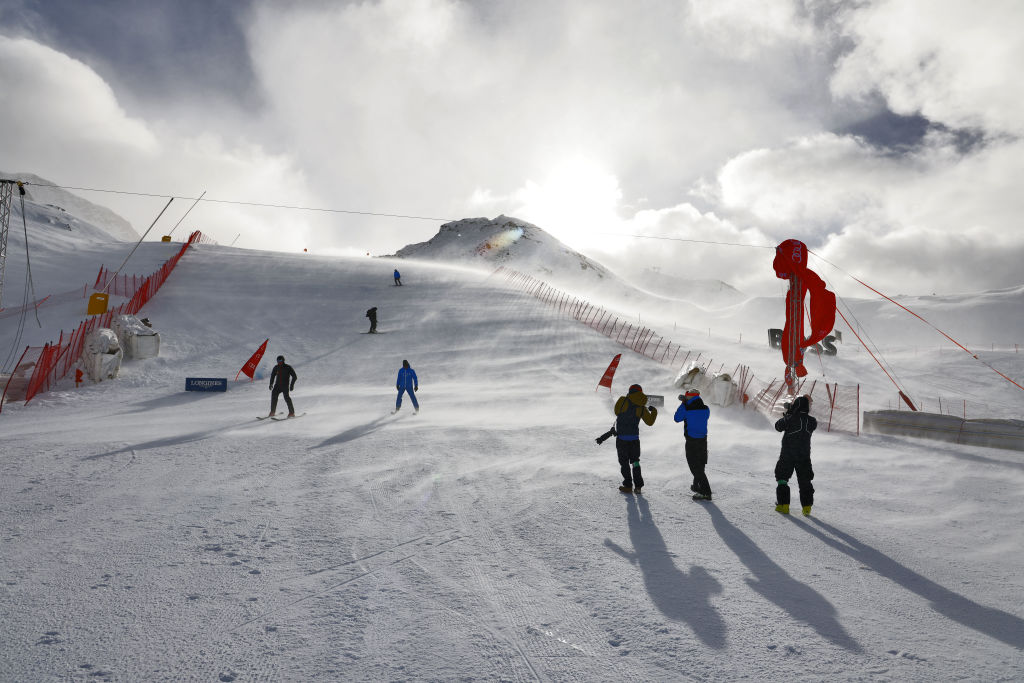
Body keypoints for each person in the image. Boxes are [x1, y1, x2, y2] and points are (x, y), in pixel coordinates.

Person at [774, 394, 817, 515]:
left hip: (788, 454)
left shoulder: (790, 418)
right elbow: (806, 422)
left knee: (782, 478)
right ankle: (807, 508)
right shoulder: (812, 421)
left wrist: (788, 414)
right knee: (805, 481)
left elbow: (778, 426)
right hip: (804, 456)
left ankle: (783, 505)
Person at [613, 383, 658, 493]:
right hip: (634, 440)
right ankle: (638, 487)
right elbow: (650, 422)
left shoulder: (623, 400)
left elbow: (616, 412)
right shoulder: (641, 407)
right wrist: (654, 412)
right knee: (635, 462)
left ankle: (628, 485)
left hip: (622, 439)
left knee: (624, 463)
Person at [674, 389, 712, 501]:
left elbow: (676, 418)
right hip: (703, 440)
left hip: (691, 440)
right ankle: (697, 486)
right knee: (700, 463)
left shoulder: (686, 408)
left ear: (688, 398)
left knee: (695, 467)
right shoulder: (706, 408)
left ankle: (706, 492)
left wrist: (683, 404)